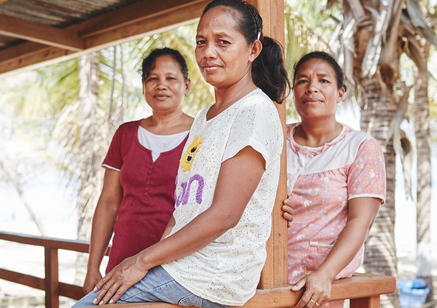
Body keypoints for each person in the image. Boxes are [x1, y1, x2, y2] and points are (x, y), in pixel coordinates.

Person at [73, 0, 288, 307]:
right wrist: (151, 263)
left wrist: (140, 262)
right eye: (201, 42)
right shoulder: (203, 117)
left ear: (253, 50)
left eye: (223, 42)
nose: (208, 52)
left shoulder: (253, 112)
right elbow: (184, 208)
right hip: (181, 266)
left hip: (215, 274)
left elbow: (225, 215)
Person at [83, 48, 195, 293]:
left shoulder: (201, 136)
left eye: (170, 78)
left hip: (173, 268)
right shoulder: (125, 134)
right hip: (120, 262)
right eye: (153, 78)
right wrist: (93, 267)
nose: (161, 85)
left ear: (186, 86)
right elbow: (109, 202)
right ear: (144, 86)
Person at [283, 51, 385, 308]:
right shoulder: (275, 138)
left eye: (323, 81)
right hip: (261, 277)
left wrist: (324, 274)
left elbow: (360, 221)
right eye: (302, 81)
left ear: (340, 93)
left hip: (315, 285)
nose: (312, 88)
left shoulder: (359, 147)